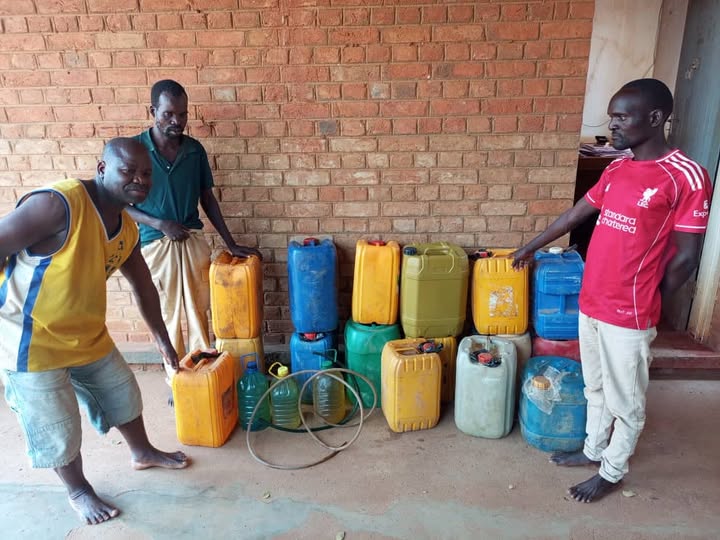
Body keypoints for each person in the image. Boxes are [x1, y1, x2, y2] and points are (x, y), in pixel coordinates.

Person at [512, 78, 712, 502]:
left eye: (621, 117)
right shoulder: (617, 168)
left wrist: (648, 302)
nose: (612, 125)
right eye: (612, 117)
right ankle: (592, 450)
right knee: (595, 388)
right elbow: (575, 215)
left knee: (627, 402)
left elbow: (686, 258)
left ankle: (613, 470)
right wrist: (530, 247)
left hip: (629, 313)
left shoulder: (686, 176)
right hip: (592, 302)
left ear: (654, 118)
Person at [0, 138, 190, 525]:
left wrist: (163, 342)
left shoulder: (126, 227)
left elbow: (143, 286)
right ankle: (79, 491)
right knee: (56, 425)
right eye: (128, 171)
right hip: (30, 339)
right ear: (102, 169)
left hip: (86, 333)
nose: (139, 179)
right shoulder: (59, 204)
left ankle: (142, 453)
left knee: (122, 392)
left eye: (146, 173)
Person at [128, 79, 261, 379]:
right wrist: (160, 224)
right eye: (168, 114)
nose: (177, 121)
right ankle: (177, 379)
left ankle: (202, 377)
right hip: (155, 245)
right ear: (153, 111)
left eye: (183, 114)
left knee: (200, 310)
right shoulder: (136, 150)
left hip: (192, 240)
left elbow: (207, 199)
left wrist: (230, 243)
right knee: (168, 314)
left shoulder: (194, 150)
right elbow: (121, 203)